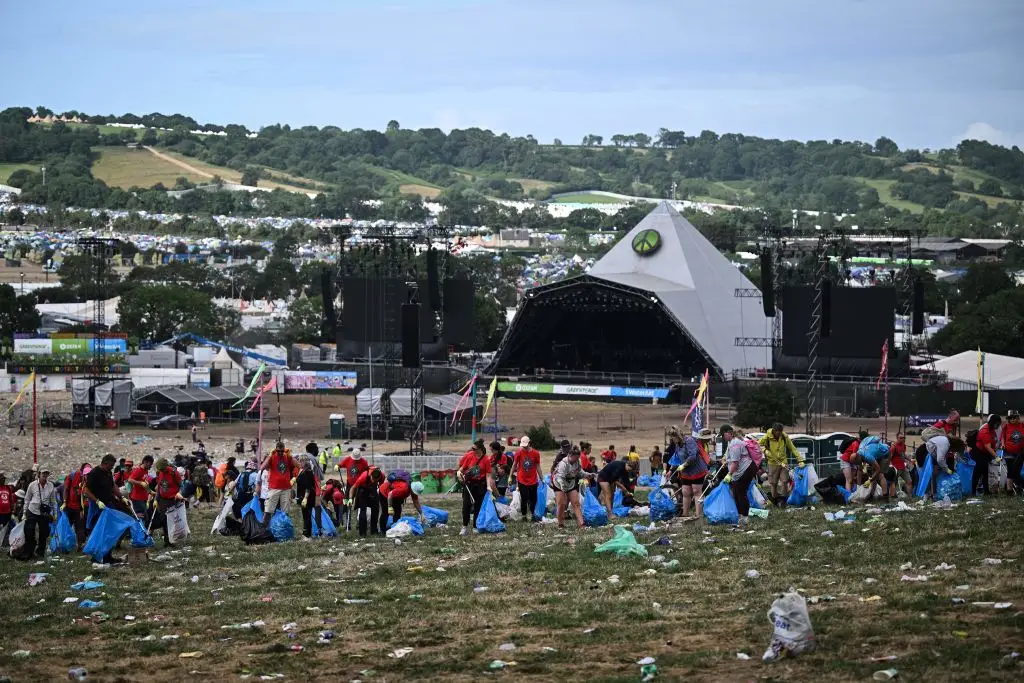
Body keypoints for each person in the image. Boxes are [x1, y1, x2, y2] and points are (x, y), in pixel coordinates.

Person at [83, 455, 128, 563]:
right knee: (100, 531)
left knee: (110, 530)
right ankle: (96, 557)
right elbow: (86, 490)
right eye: (110, 465)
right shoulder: (94, 473)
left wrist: (122, 497)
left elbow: (113, 486)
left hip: (108, 505)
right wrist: (97, 501)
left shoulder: (108, 473)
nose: (112, 467)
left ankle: (108, 556)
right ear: (104, 463)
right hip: (97, 507)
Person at [457, 439, 500, 535]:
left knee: (478, 506)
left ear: (480, 449)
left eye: (474, 448)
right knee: (466, 506)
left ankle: (475, 526)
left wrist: (488, 486)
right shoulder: (470, 456)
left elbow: (488, 474)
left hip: (480, 485)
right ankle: (464, 526)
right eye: (472, 448)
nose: (472, 450)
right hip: (469, 484)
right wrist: (459, 473)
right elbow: (462, 468)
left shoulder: (486, 459)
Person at [759, 423, 804, 506]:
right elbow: (759, 444)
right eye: (777, 432)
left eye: (780, 432)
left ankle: (784, 500)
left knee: (784, 481)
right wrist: (765, 450)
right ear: (774, 430)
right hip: (772, 463)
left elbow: (793, 448)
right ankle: (775, 500)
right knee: (773, 483)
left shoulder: (784, 437)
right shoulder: (767, 437)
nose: (779, 433)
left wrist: (800, 460)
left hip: (783, 462)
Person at [18, 466, 57, 560]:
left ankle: (40, 552)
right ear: (39, 474)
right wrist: (24, 513)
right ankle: (29, 552)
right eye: (43, 473)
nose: (45, 475)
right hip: (32, 510)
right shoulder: (32, 485)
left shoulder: (51, 485)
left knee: (44, 532)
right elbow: (27, 499)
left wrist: (55, 513)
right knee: (29, 531)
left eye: (47, 473)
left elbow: (53, 500)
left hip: (44, 513)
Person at [723, 425, 757, 527]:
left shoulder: (735, 443)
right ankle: (741, 516)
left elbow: (735, 463)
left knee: (741, 493)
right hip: (741, 471)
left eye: (723, 434)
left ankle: (745, 518)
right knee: (737, 493)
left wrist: (729, 474)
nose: (723, 437)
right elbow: (732, 459)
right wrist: (726, 461)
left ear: (728, 433)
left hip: (745, 469)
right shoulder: (732, 442)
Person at [676, 428, 714, 518]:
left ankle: (698, 515)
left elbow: (693, 456)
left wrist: (684, 464)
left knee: (696, 491)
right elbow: (677, 456)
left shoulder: (691, 442)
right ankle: (685, 514)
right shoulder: (678, 444)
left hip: (697, 470)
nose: (708, 440)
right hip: (686, 471)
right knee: (685, 492)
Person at [552, 446, 594, 529]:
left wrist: (588, 475)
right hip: (558, 483)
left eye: (578, 458)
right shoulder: (563, 463)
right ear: (570, 455)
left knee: (576, 503)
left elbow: (580, 472)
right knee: (561, 504)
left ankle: (582, 524)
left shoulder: (577, 462)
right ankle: (560, 524)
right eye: (575, 458)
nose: (576, 460)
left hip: (570, 483)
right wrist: (562, 486)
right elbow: (560, 477)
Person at [152, 458, 185, 547]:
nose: (162, 471)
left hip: (173, 500)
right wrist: (156, 499)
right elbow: (159, 488)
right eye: (160, 469)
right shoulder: (160, 473)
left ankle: (173, 539)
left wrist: (179, 493)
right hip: (163, 500)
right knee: (164, 521)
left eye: (163, 469)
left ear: (166, 466)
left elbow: (181, 486)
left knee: (173, 521)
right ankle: (167, 541)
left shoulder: (174, 473)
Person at [261, 441, 298, 518]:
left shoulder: (287, 457)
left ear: (284, 450)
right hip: (274, 488)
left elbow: (297, 465)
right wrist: (269, 456)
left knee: (285, 512)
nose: (280, 453)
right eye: (278, 451)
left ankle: (283, 524)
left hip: (286, 488)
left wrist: (290, 456)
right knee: (268, 511)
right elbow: (262, 467)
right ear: (275, 450)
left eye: (282, 451)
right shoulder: (272, 457)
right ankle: (264, 525)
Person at [924, 434, 966, 499]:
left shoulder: (946, 442)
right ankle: (932, 494)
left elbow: (942, 458)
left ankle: (933, 493)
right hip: (930, 451)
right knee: (934, 474)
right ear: (955, 446)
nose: (953, 451)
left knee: (936, 473)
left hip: (932, 450)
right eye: (955, 450)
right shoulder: (945, 444)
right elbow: (940, 459)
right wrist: (947, 470)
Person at [511, 435, 541, 522]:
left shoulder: (536, 453)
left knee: (533, 499)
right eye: (523, 446)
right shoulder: (519, 453)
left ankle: (532, 514)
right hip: (522, 480)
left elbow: (538, 466)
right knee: (524, 498)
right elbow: (514, 465)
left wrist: (541, 477)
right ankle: (524, 515)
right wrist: (510, 476)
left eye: (526, 445)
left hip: (533, 480)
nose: (524, 447)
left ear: (529, 443)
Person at [337, 448, 369, 530]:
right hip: (349, 485)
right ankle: (348, 523)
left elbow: (367, 472)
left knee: (359, 505)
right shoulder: (348, 459)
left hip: (360, 486)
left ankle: (359, 523)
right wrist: (337, 466)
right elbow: (340, 465)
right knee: (347, 503)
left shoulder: (364, 462)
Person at [350, 466, 385, 537]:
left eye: (376, 480)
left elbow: (381, 488)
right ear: (370, 475)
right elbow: (353, 487)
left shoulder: (382, 476)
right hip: (363, 492)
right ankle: (362, 533)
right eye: (372, 479)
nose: (373, 481)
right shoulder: (364, 476)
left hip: (373, 491)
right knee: (363, 511)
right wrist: (350, 498)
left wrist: (382, 499)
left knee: (376, 510)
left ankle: (374, 531)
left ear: (379, 478)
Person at [61, 463, 89, 549]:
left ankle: (69, 545)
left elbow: (66, 489)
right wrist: (65, 502)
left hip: (75, 507)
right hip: (73, 507)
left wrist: (64, 502)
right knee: (78, 527)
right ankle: (75, 545)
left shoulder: (85, 478)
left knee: (73, 527)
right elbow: (68, 489)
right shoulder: (76, 475)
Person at [973, 414, 1001, 496]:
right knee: (977, 473)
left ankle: (986, 491)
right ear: (993, 423)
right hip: (980, 453)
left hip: (986, 453)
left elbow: (993, 442)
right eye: (997, 424)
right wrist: (996, 457)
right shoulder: (985, 431)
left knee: (985, 473)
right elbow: (988, 447)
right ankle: (973, 492)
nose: (998, 426)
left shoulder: (992, 429)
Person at [296, 457, 321, 539]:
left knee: (307, 516)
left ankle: (307, 535)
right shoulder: (302, 471)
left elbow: (308, 487)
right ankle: (305, 532)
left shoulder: (308, 472)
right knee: (305, 515)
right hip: (302, 496)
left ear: (304, 462)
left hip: (308, 497)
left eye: (300, 461)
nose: (299, 463)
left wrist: (305, 498)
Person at [1003, 409, 1024, 492]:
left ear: (1018, 417)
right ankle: (1009, 489)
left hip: (1020, 452)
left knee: (1017, 470)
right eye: (1010, 418)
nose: (1012, 419)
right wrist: (1003, 444)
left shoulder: (1022, 425)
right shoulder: (1006, 427)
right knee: (1011, 469)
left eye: (1014, 417)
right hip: (1009, 452)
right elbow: (1002, 437)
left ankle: (1018, 487)